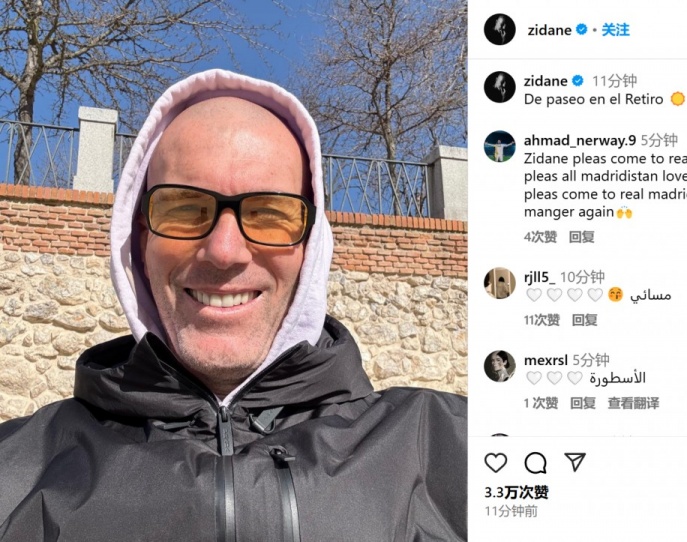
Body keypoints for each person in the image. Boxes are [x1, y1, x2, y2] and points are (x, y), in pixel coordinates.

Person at [0, 69, 466, 541]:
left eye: (270, 213)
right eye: (183, 208)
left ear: (311, 246)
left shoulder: (452, 448)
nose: (224, 252)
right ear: (140, 239)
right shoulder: (15, 471)